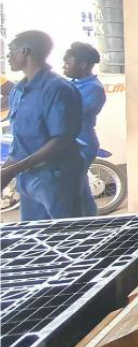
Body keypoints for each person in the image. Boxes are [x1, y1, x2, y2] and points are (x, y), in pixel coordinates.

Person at [0, 30, 85, 220]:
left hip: (56, 175)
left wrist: (12, 170)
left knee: (66, 237)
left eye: (12, 51)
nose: (8, 56)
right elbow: (21, 144)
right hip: (27, 175)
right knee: (33, 239)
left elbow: (61, 141)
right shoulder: (18, 91)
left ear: (26, 51)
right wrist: (6, 172)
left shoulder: (57, 88)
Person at [62, 42, 107, 216]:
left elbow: (67, 114)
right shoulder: (71, 83)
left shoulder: (93, 88)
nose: (64, 66)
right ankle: (90, 220)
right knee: (78, 187)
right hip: (70, 141)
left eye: (68, 63)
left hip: (83, 142)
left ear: (82, 65)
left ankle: (88, 220)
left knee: (75, 187)